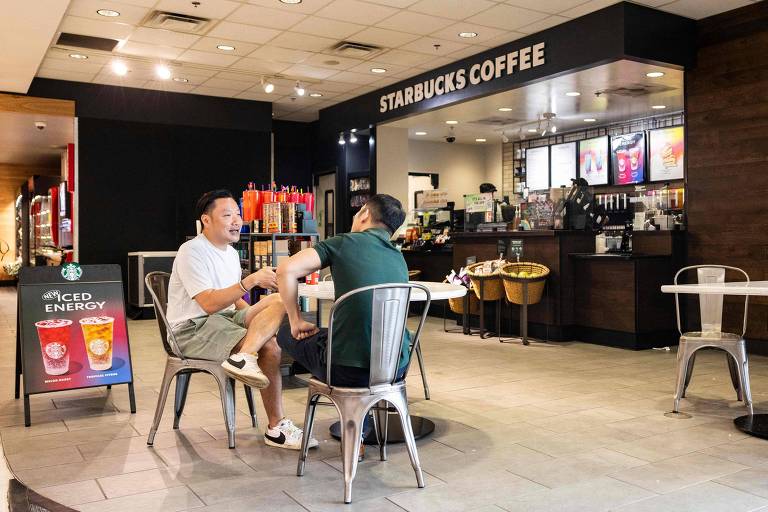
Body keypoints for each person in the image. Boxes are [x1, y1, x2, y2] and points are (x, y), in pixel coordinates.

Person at [166, 189, 317, 450]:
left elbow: (236, 303)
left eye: (238, 214)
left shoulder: (231, 253)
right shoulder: (192, 251)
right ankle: (276, 427)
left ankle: (243, 356)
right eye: (227, 215)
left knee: (280, 299)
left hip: (223, 320)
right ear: (206, 220)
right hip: (191, 328)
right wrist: (250, 281)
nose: (237, 220)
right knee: (270, 347)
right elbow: (209, 303)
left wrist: (255, 315)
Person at [275, 194, 411, 458]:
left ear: (363, 214)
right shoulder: (398, 257)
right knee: (356, 342)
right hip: (395, 368)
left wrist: (295, 320)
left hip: (346, 371)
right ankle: (358, 433)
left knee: (284, 332)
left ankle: (278, 421)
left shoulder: (344, 242)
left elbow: (285, 270)